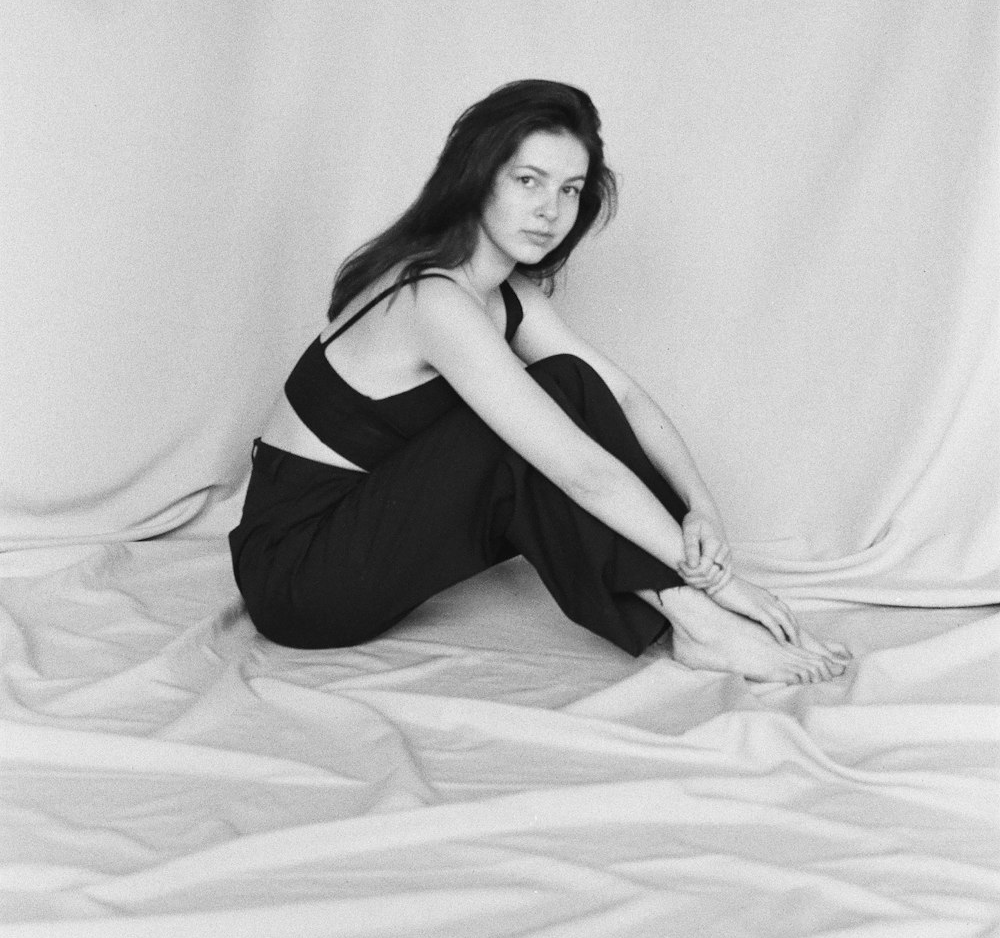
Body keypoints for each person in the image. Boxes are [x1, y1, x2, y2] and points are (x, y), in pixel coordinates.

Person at [230, 80, 849, 683]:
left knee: (568, 381)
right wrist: (718, 583)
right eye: (527, 181)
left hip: (362, 546)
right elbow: (582, 471)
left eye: (570, 189)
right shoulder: (431, 299)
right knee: (534, 428)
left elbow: (619, 395)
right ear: (476, 178)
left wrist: (700, 508)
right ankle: (699, 624)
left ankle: (694, 620)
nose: (550, 210)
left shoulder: (502, 294)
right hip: (299, 579)